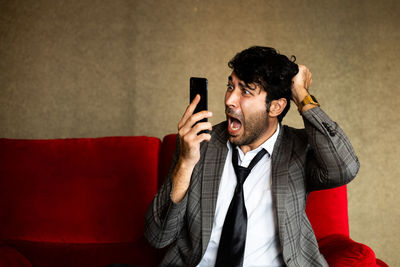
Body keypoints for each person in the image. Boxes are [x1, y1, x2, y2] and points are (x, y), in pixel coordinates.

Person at [145, 46, 359, 267]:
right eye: (230, 86)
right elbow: (158, 236)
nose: (230, 100)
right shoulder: (200, 144)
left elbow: (345, 167)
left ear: (275, 107)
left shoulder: (298, 149)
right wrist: (186, 162)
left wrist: (300, 93)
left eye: (245, 91)